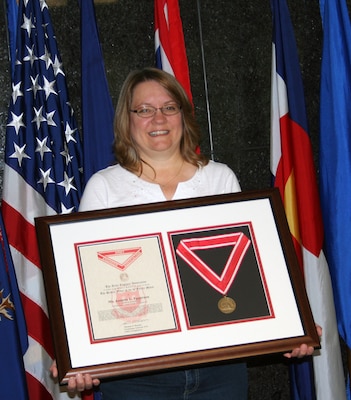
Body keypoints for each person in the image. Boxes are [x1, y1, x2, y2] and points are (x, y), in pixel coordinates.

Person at [51, 67, 320, 399]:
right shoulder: (105, 187)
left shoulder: (220, 179)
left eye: (169, 107)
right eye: (144, 110)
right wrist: (77, 354)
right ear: (128, 120)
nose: (158, 118)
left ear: (182, 114)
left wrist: (293, 327)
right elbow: (86, 284)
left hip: (220, 366)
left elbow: (250, 267)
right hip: (137, 371)